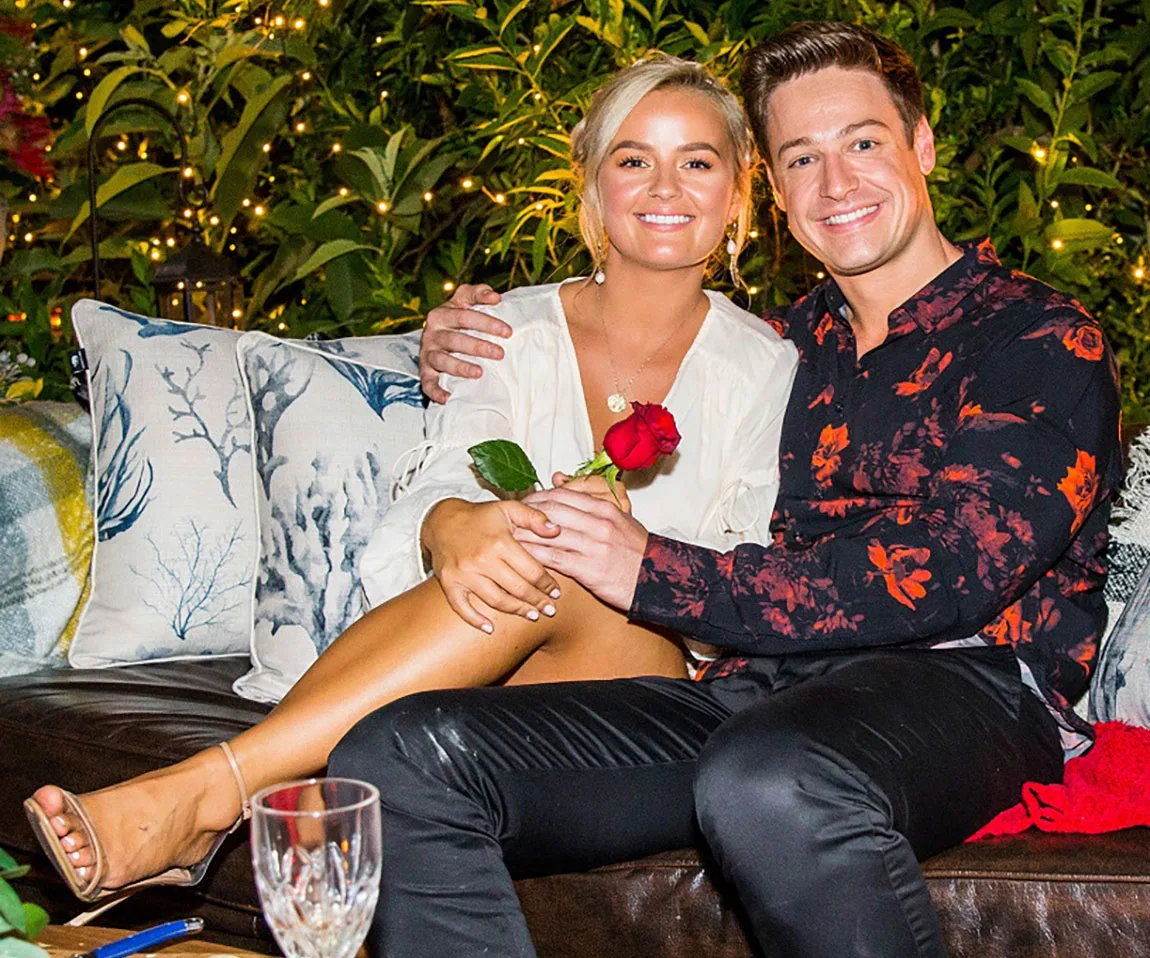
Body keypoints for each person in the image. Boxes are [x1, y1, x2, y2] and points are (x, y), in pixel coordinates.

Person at [328, 20, 1123, 958]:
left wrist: (654, 572)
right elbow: (623, 329)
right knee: (399, 760)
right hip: (760, 686)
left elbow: (952, 569)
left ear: (921, 147)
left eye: (863, 143)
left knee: (773, 781)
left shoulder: (1036, 337)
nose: (837, 183)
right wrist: (452, 341)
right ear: (777, 190)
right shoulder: (780, 353)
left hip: (974, 682)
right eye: (801, 158)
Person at [24, 57, 797, 913]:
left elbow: (749, 566)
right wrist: (451, 522)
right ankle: (293, 792)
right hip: (484, 652)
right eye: (632, 158)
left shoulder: (769, 367)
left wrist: (635, 554)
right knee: (517, 545)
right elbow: (442, 477)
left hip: (645, 680)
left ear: (738, 193)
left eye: (697, 160)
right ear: (591, 182)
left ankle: (211, 793)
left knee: (557, 551)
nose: (665, 185)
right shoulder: (499, 329)